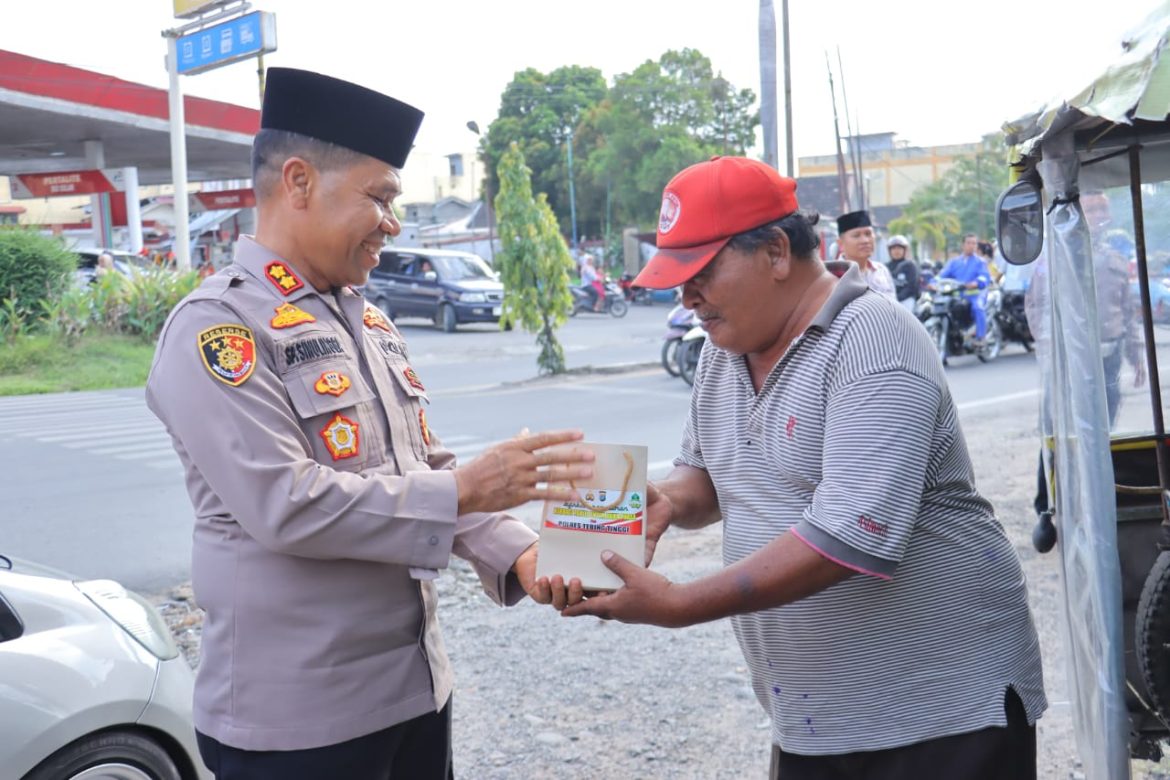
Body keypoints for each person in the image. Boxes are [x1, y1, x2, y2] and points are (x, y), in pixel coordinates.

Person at [145, 68, 592, 780]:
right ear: (298, 182)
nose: (393, 222)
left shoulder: (367, 318)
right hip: (298, 724)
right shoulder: (218, 327)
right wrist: (471, 492)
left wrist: (519, 552)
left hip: (413, 693)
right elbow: (285, 505)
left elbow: (418, 469)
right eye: (380, 197)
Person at [557, 156, 1047, 780]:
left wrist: (679, 604)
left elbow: (845, 540)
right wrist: (666, 500)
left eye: (701, 271)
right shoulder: (722, 353)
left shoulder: (871, 339)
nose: (686, 297)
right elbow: (708, 476)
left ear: (778, 253)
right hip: (818, 722)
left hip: (938, 714)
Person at [938, 234, 992, 344]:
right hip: (958, 295)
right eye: (969, 243)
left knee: (978, 308)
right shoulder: (954, 262)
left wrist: (976, 283)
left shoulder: (980, 262)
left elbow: (984, 277)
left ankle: (981, 338)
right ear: (963, 245)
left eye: (974, 243)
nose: (971, 245)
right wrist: (932, 283)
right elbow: (942, 276)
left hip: (976, 294)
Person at [835, 209, 896, 301]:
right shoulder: (834, 275)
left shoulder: (881, 270)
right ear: (840, 243)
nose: (865, 241)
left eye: (868, 234)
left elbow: (895, 305)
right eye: (856, 235)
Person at [886, 234, 919, 314]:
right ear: (889, 251)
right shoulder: (885, 267)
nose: (896, 251)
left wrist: (897, 298)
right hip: (888, 301)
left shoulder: (910, 265)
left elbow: (911, 287)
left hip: (906, 300)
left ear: (905, 250)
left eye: (899, 248)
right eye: (893, 248)